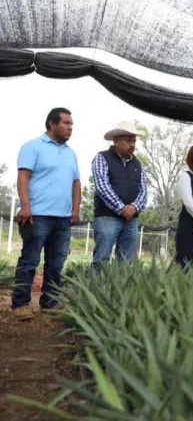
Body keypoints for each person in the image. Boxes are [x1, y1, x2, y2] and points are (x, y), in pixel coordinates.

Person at [12, 108, 81, 321]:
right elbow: (23, 177)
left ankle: (49, 302)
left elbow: (76, 183)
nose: (70, 127)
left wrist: (76, 210)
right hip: (37, 215)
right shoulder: (33, 147)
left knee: (56, 263)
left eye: (71, 124)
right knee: (30, 260)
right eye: (66, 123)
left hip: (63, 218)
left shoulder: (71, 153)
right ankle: (20, 304)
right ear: (52, 124)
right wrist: (25, 206)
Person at [91, 121, 148, 272]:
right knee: (101, 259)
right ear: (116, 141)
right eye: (128, 141)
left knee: (126, 262)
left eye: (134, 141)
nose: (132, 145)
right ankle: (96, 293)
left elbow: (144, 192)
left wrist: (134, 207)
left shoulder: (138, 164)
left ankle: (119, 294)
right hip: (107, 218)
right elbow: (102, 187)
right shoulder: (102, 158)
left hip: (131, 221)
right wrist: (122, 209)